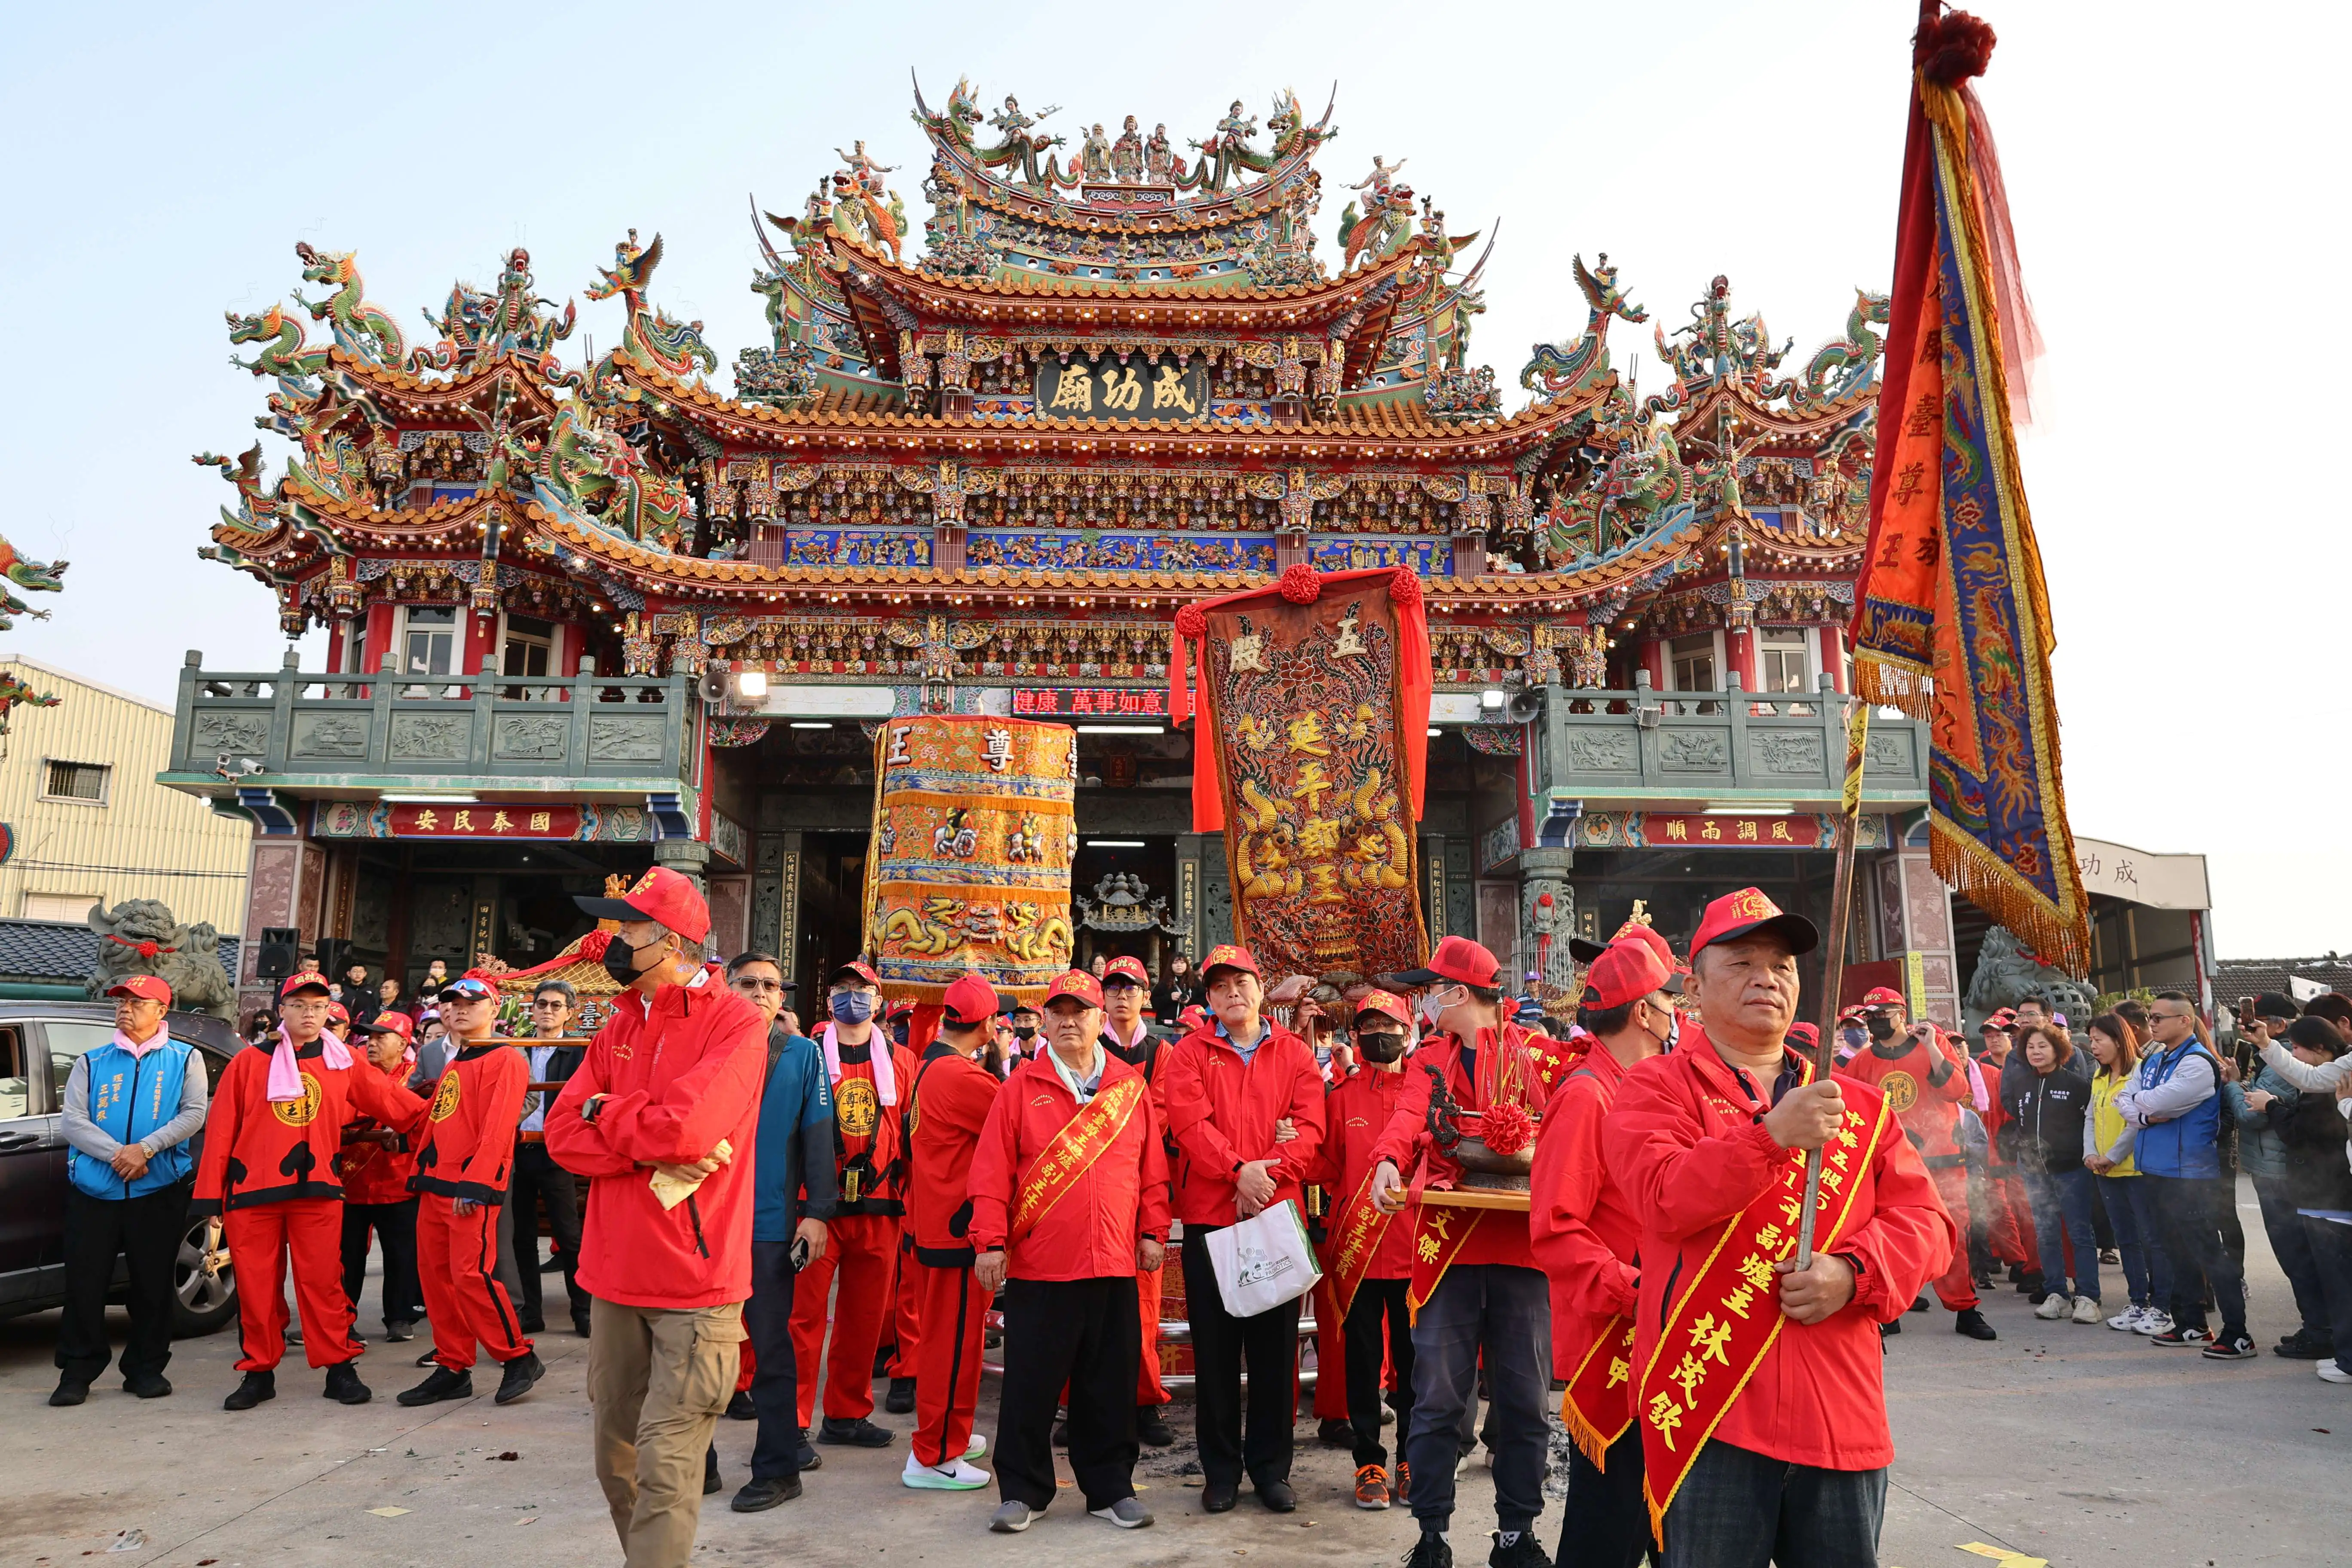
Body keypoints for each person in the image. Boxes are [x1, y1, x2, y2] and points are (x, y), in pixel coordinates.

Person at [1605, 889, 1955, 1568]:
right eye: (1741, 963)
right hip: (1711, 1411)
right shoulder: (1654, 1089)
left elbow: (1928, 1224)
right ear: (1694, 988)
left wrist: (1853, 1273)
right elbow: (1661, 1198)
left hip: (1839, 1413)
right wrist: (1770, 1139)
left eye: (1783, 965)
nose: (1767, 977)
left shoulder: (1858, 1105)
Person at [546, 868, 767, 1568]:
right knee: (617, 1462)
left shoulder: (735, 1021)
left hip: (696, 1285)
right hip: (613, 1276)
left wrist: (604, 1113)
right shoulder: (618, 1023)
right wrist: (630, 1134)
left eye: (627, 930)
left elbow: (691, 1132)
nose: (610, 942)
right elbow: (560, 1133)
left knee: (668, 1469)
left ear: (669, 941)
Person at [1368, 934, 1560, 1568]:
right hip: (1449, 1246)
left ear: (1459, 992)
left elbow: (1567, 1117)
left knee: (1525, 1398)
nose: (1424, 1002)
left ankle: (1516, 1532)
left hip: (1520, 1246)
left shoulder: (1533, 1054)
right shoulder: (1430, 1057)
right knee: (1438, 1398)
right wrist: (1390, 1161)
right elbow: (1405, 1118)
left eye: (1432, 990)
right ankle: (1430, 1533)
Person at [968, 968, 1166, 1534]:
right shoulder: (1019, 1089)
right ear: (1044, 1020)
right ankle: (1023, 1491)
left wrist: (1153, 1231)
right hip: (1041, 1267)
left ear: (1102, 1018)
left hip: (1112, 1263)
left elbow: (1152, 1171)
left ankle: (1109, 1487)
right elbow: (990, 1175)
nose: (1069, 1021)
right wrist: (990, 1241)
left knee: (1108, 1384)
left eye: (1080, 1011)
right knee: (1030, 1384)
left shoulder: (1130, 1089)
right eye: (1058, 1012)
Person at [195, 969, 425, 1409]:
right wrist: (210, 1195)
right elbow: (221, 1131)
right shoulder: (249, 1062)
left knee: (324, 1284)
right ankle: (259, 1372)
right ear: (282, 1010)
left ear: (327, 1013)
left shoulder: (344, 1061)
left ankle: (339, 1369)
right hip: (252, 1191)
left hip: (319, 1188)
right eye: (299, 1005)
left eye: (318, 1007)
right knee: (258, 1287)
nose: (309, 1013)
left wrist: (449, 1119)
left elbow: (396, 1104)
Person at [1158, 943, 1326, 1516]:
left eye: (1243, 982)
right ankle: (1221, 1471)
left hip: (1275, 1217)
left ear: (1261, 989)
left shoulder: (1295, 1055)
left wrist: (1266, 1176)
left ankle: (1272, 1470)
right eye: (1221, 985)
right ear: (1209, 998)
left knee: (1277, 1353)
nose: (1234, 992)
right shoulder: (1188, 1055)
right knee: (1217, 1352)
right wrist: (1237, 1172)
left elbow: (1309, 1127)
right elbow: (1189, 1124)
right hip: (1213, 1219)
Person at [1531, 940, 1678, 1567]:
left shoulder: (1651, 1088)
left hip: (1667, 1328)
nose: (1678, 1012)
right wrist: (1630, 1289)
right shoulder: (1588, 1095)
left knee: (1665, 1510)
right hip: (1616, 1334)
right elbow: (1555, 1227)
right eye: (1670, 999)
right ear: (1643, 1013)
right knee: (1609, 1519)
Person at [51, 975, 208, 1405]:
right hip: (94, 1189)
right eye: (122, 1002)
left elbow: (194, 1113)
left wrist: (147, 1149)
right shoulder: (92, 1060)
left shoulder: (184, 1058)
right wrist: (119, 1154)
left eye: (138, 1003)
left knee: (152, 1283)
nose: (125, 1009)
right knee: (85, 1283)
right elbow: (73, 1121)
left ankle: (145, 1367)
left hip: (157, 1188)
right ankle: (77, 1370)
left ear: (161, 1011)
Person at [396, 972, 545, 1406]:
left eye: (471, 1002)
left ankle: (517, 1356)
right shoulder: (459, 1058)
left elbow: (499, 1129)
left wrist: (477, 1184)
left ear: (494, 1009)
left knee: (471, 1275)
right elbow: (440, 1118)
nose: (460, 1009)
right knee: (438, 1280)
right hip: (435, 1183)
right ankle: (452, 1364)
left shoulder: (504, 1059)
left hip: (467, 1187)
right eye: (453, 1003)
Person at [789, 959, 917, 1449]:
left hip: (881, 1205)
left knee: (864, 1320)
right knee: (802, 1320)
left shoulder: (903, 1061)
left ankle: (846, 1413)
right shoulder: (806, 1057)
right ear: (828, 1001)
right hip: (815, 1209)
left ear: (879, 1002)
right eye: (842, 988)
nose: (851, 997)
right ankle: (795, 1420)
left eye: (861, 990)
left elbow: (913, 1133)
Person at [730, 950, 838, 1513]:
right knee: (698, 1351)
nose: (760, 993)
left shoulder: (803, 1055)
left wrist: (817, 1212)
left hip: (768, 1226)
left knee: (772, 1350)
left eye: (771, 986)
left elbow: (820, 1139)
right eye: (747, 983)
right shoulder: (704, 1047)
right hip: (704, 1226)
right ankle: (694, 1466)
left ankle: (778, 1468)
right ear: (726, 989)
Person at [1310, 991, 1421, 1511]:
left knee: (1414, 1364)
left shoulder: (1425, 1094)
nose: (1381, 1033)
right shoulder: (1340, 1099)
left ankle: (1410, 1458)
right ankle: (1369, 1461)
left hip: (1414, 1253)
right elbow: (1324, 1167)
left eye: (1390, 1024)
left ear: (1408, 1030)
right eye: (1370, 1025)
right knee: (1361, 1360)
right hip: (1356, 1256)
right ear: (1356, 1037)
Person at [1835, 987, 1997, 1341]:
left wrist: (1932, 1047)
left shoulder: (1932, 1049)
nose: (1875, 1022)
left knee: (1954, 1237)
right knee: (1891, 1239)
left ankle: (1965, 1308)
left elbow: (1956, 1091)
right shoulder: (1863, 1063)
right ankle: (1889, 1309)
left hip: (1945, 1160)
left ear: (1902, 1014)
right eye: (1871, 1016)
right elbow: (1857, 1115)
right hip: (1891, 1166)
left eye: (1883, 1014)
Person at [900, 972, 1004, 1491]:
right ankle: (935, 1453)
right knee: (953, 1345)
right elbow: (1016, 1118)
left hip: (934, 1225)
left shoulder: (933, 1065)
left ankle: (951, 1437)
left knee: (953, 1341)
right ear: (986, 1026)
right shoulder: (961, 1078)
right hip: (954, 1230)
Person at [2114, 991, 2257, 1358]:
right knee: (2176, 1251)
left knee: (2210, 1253)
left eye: (2160, 1018)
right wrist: (2143, 1111)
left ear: (2185, 1021)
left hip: (2190, 1174)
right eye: (2151, 1018)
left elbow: (2153, 1101)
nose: (2153, 1024)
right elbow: (2125, 1099)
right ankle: (2191, 1323)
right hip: (2156, 1170)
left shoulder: (2197, 1063)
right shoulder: (2156, 1058)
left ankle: (2238, 1333)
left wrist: (2141, 1107)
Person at [1093, 954, 1177, 1446]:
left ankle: (1146, 1402)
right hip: (1088, 1185)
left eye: (1132, 988)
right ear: (1102, 997)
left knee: (1144, 1303)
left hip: (1143, 1184)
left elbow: (1161, 1113)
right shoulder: (1087, 1043)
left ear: (1147, 996)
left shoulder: (1161, 1051)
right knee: (1085, 1301)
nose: (1123, 996)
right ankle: (1080, 1403)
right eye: (1115, 988)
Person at [2222, 1014, 2333, 1360]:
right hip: (2272, 1170)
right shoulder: (2279, 1062)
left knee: (2297, 1256)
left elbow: (2252, 1116)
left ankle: (2320, 1332)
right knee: (2297, 1257)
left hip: (2280, 1174)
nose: (2248, 1027)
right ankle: (2316, 1327)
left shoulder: (2285, 1067)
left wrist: (2233, 1086)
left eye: (2257, 1020)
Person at [2262, 1017, 2352, 1385]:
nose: (2293, 1052)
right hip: (2328, 1192)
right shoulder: (2343, 1066)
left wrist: (2346, 1106)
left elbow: (2308, 1125)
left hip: (2332, 1195)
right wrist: (2267, 1045)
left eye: (2296, 1046)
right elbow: (2312, 1080)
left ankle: (2347, 1360)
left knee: (2340, 1282)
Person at [337, 1010, 424, 1345]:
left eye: (380, 1038)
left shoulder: (419, 1078)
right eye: (368, 1038)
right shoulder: (352, 1075)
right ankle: (341, 1317)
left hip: (399, 1182)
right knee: (346, 1256)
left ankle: (401, 1317)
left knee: (402, 1254)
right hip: (353, 1183)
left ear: (403, 1043)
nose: (371, 1044)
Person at [2005, 1023, 2101, 1323]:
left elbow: (2090, 1126)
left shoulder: (2077, 1085)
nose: (2036, 1052)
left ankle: (2088, 1297)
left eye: (2043, 1046)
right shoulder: (2021, 1084)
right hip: (2035, 1173)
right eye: (2031, 1047)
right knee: (2045, 1234)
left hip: (2072, 1172)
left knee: (2079, 1233)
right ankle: (2056, 1293)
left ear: (2058, 1050)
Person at [513, 979, 592, 1338]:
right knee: (522, 1236)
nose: (547, 1011)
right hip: (517, 1150)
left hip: (557, 1151)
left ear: (570, 1012)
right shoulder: (516, 1049)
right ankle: (531, 1311)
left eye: (556, 1006)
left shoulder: (578, 1051)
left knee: (569, 1235)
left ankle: (583, 1310)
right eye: (542, 1004)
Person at [2082, 1013, 2170, 1333]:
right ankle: (2138, 1302)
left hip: (2136, 1169)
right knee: (2127, 1240)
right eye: (2091, 1040)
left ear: (2119, 1040)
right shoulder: (2099, 1076)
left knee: (2152, 1239)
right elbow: (2091, 1118)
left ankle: (2163, 1306)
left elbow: (2138, 1121)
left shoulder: (2143, 1072)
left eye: (2099, 1040)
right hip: (2105, 1171)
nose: (2093, 1046)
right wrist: (2090, 1154)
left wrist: (2113, 1156)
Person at [1153, 953, 1195, 1025]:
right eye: (1176, 963)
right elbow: (1155, 1003)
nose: (1179, 965)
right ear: (1171, 965)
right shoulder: (1164, 982)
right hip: (1167, 1025)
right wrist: (1169, 998)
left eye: (1182, 963)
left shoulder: (1194, 981)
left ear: (1187, 965)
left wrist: (1189, 1002)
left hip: (1189, 1025)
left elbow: (1203, 1002)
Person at [344, 963, 378, 1030]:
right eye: (355, 971)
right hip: (345, 1020)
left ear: (365, 974)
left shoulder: (373, 990)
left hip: (363, 1022)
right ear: (349, 974)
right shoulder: (343, 988)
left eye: (361, 972)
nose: (358, 974)